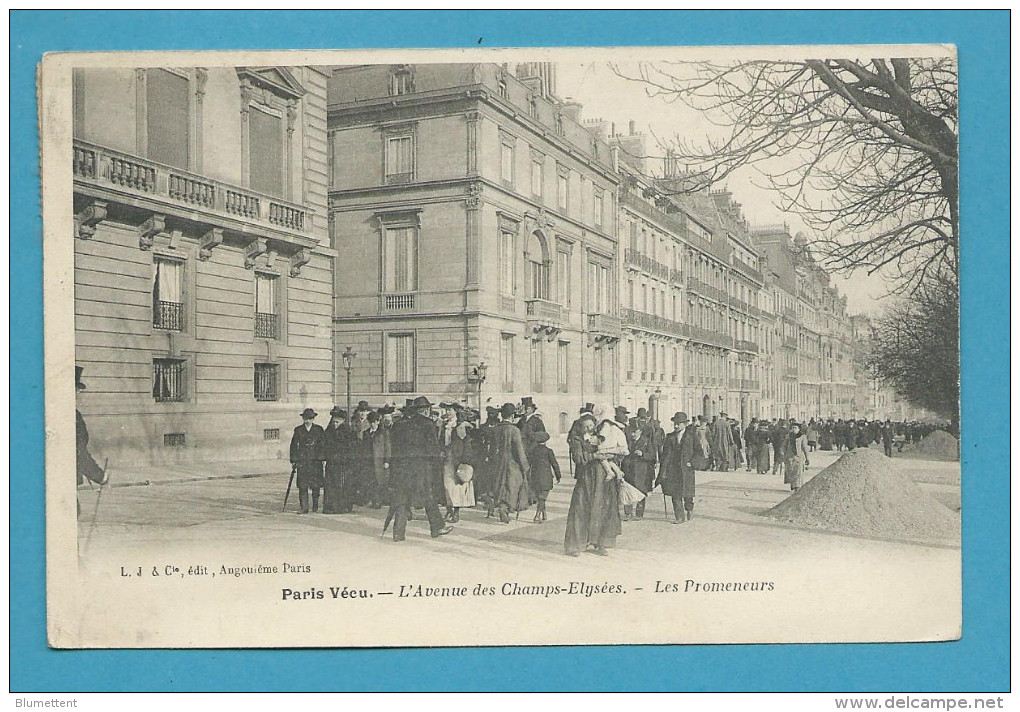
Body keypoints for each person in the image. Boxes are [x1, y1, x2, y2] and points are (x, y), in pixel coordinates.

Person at [387, 396, 453, 542]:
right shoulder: (428, 424)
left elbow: (394, 449)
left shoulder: (399, 425)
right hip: (421, 469)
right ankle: (437, 527)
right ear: (426, 410)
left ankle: (398, 533)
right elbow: (433, 450)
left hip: (402, 469)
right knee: (428, 497)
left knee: (402, 498)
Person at [563, 403, 622, 557]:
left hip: (602, 478)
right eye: (585, 426)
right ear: (580, 427)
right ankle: (575, 545)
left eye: (591, 425)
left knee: (603, 509)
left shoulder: (601, 437)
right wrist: (595, 456)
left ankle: (600, 543)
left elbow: (612, 449)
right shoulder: (577, 440)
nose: (588, 428)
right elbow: (579, 458)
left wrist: (611, 454)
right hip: (587, 478)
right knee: (581, 509)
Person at [488, 403, 532, 523]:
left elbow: (491, 450)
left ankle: (501, 506)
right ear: (512, 416)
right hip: (512, 464)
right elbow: (519, 450)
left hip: (498, 463)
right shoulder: (514, 430)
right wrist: (525, 466)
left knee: (500, 485)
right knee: (512, 486)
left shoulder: (495, 429)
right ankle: (506, 508)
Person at [75, 366, 107, 517]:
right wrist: (99, 476)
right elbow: (78, 452)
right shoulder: (72, 416)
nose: (79, 393)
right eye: (76, 389)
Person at [656, 412, 696, 523]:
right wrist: (663, 470)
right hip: (673, 470)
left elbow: (698, 453)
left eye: (678, 424)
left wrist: (692, 463)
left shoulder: (691, 437)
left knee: (687, 493)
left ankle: (689, 509)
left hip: (686, 469)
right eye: (674, 423)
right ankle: (679, 517)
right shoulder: (670, 437)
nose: (676, 426)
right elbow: (665, 455)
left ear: (685, 424)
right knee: (675, 493)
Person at [441, 405, 476, 523]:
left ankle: (455, 512)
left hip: (457, 459)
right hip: (446, 459)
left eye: (449, 410)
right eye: (446, 410)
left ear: (455, 411)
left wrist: (465, 461)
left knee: (456, 487)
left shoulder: (460, 425)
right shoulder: (443, 425)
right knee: (447, 487)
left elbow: (465, 444)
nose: (447, 412)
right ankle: (449, 509)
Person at [623, 407, 657, 520]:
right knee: (627, 490)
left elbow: (652, 455)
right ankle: (628, 513)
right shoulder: (627, 442)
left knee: (641, 490)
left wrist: (642, 454)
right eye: (631, 431)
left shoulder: (646, 442)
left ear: (640, 431)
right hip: (628, 469)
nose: (633, 434)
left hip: (642, 469)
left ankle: (639, 513)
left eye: (635, 431)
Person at [290, 408, 326, 514]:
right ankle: (304, 507)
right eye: (306, 418)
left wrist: (322, 458)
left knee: (316, 485)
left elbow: (322, 445)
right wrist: (294, 459)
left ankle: (315, 504)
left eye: (310, 419)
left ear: (313, 419)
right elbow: (293, 445)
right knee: (303, 485)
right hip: (303, 461)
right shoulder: (298, 430)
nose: (308, 421)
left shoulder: (319, 429)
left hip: (315, 461)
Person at [322, 407, 353, 514]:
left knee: (341, 484)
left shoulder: (347, 431)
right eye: (333, 421)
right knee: (330, 484)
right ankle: (329, 506)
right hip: (331, 462)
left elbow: (351, 447)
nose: (335, 424)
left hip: (342, 463)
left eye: (337, 422)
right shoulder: (329, 431)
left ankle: (341, 506)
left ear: (343, 421)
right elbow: (324, 444)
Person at [528, 430, 561, 523]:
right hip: (546, 478)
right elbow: (554, 464)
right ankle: (537, 515)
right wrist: (558, 475)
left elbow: (528, 464)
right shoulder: (549, 451)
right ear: (545, 441)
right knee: (543, 497)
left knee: (540, 497)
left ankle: (544, 513)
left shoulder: (532, 451)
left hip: (534, 477)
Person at [784, 422, 810, 492]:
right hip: (790, 457)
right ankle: (793, 485)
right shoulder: (788, 436)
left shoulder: (802, 437)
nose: (793, 429)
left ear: (799, 429)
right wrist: (783, 454)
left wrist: (807, 458)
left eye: (795, 428)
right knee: (791, 472)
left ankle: (797, 486)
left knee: (798, 472)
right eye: (792, 428)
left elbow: (805, 448)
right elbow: (784, 446)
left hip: (799, 457)